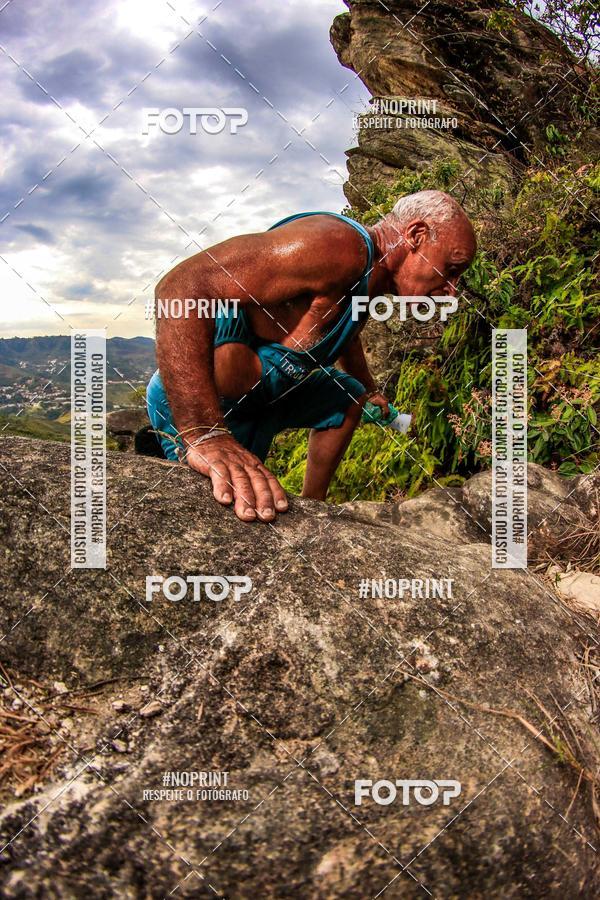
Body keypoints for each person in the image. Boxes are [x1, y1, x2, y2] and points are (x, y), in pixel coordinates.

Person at [147, 189, 476, 523]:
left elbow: (343, 330)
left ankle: (314, 511)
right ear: (416, 236)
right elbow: (182, 286)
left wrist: (369, 388)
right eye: (451, 269)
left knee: (348, 398)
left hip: (263, 405)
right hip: (206, 410)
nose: (452, 289)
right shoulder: (336, 246)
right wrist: (205, 432)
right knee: (206, 521)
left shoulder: (369, 279)